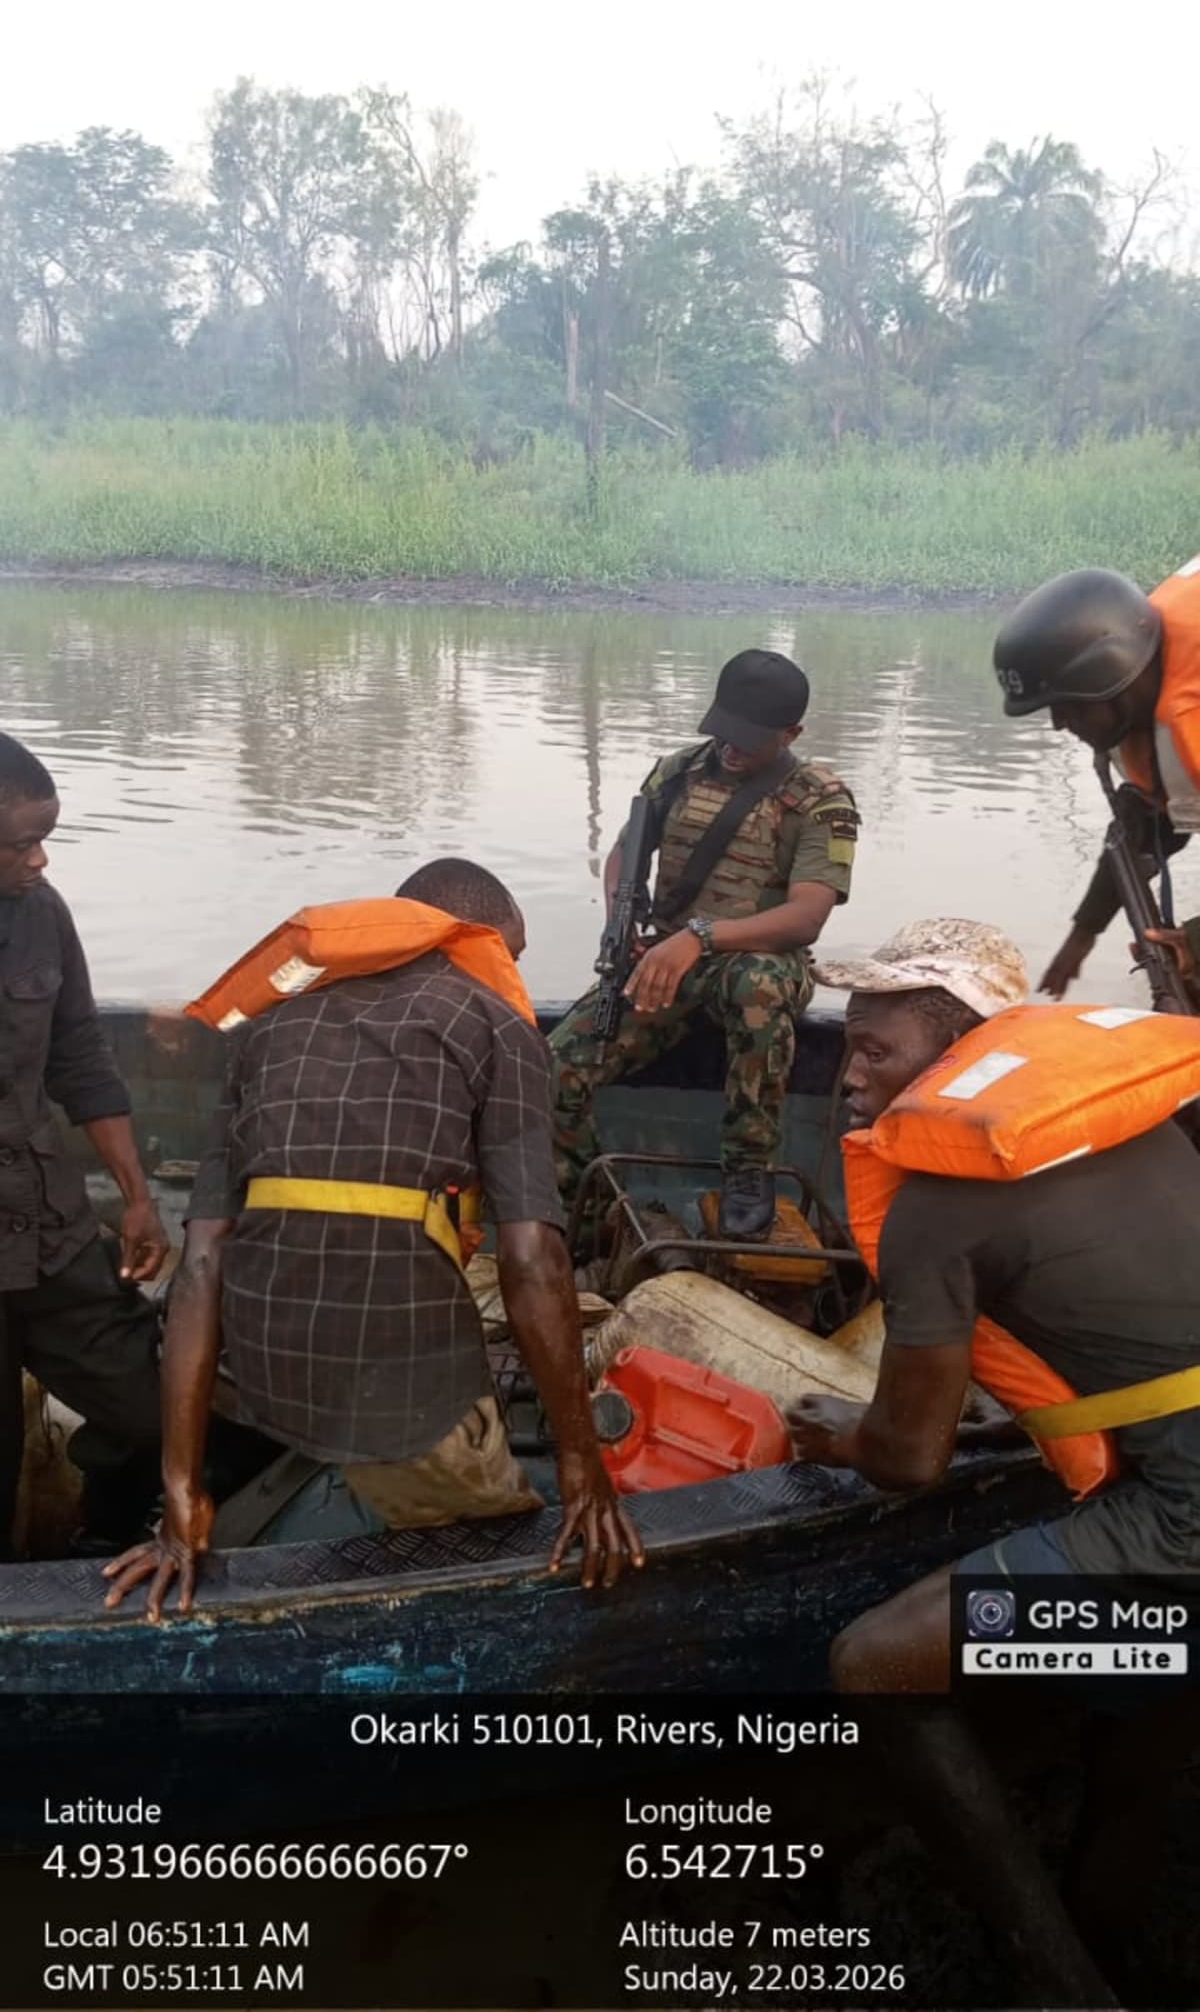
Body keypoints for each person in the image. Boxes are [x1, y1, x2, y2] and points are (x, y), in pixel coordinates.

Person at [103, 858, 643, 1620]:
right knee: (498, 1517)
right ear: (475, 939)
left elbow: (200, 1265)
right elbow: (531, 1260)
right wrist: (582, 1461)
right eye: (510, 956)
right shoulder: (499, 1028)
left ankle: (232, 1481)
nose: (509, 976)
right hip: (396, 1391)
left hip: (245, 1367)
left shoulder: (269, 1023)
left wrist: (181, 1491)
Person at [786, 917, 1200, 1695]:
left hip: (1186, 1522)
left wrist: (844, 1435)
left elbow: (909, 1460)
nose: (849, 1078)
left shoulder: (933, 1212)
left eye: (875, 1052)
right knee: (1123, 1668)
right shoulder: (1127, 1118)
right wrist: (1012, 1424)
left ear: (956, 1051)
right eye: (850, 1048)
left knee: (875, 1664)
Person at [551, 648, 859, 1242]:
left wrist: (701, 937)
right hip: (667, 961)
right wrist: (622, 915)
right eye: (724, 730)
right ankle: (594, 1219)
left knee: (757, 985)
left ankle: (748, 1165)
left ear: (791, 734)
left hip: (759, 963)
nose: (732, 748)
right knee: (557, 1067)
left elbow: (807, 917)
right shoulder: (677, 774)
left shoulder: (819, 800)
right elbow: (624, 854)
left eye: (749, 738)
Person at [0, 731, 168, 1557]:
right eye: (23, 843)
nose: (41, 860)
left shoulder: (43, 915)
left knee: (157, 1409)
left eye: (46, 839)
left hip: (51, 1232)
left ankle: (102, 1532)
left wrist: (137, 1197)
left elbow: (81, 1058)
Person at [993, 559, 1200, 997]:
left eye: (1069, 706)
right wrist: (1083, 935)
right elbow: (1147, 826)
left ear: (1118, 676)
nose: (1058, 724)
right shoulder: (1143, 694)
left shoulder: (1190, 718)